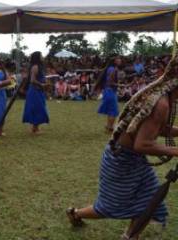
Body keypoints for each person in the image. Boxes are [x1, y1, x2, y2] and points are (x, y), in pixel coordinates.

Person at [65, 58, 178, 240]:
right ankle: (75, 213)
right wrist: (175, 151)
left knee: (150, 201)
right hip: (121, 159)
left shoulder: (165, 97)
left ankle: (130, 236)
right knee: (109, 208)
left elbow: (158, 129)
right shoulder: (162, 103)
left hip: (134, 160)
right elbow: (142, 144)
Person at [22, 51, 50, 134]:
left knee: (39, 108)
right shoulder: (35, 67)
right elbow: (32, 80)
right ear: (37, 57)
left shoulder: (39, 66)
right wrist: (42, 84)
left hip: (39, 90)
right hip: (34, 91)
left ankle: (35, 128)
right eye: (41, 55)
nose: (43, 57)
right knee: (37, 108)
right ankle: (34, 129)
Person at [96, 56, 121, 133]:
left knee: (111, 111)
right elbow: (110, 82)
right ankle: (110, 128)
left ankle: (108, 126)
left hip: (108, 91)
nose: (120, 60)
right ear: (114, 61)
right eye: (118, 59)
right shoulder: (113, 69)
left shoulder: (111, 68)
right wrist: (122, 85)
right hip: (110, 91)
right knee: (114, 111)